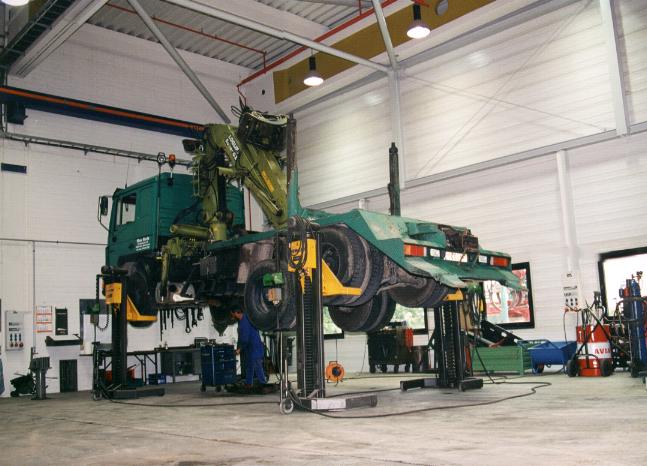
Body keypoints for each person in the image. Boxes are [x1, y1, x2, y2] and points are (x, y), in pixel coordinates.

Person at [231, 308, 267, 388]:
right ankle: (248, 383)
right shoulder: (247, 317)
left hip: (254, 346)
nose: (232, 316)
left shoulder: (244, 322)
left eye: (233, 314)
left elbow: (245, 338)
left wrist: (239, 349)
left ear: (236, 313)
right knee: (249, 365)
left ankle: (263, 384)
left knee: (257, 365)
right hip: (250, 347)